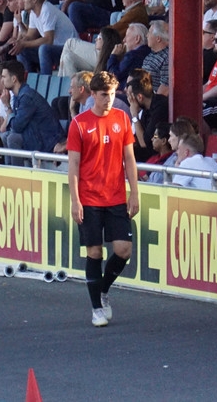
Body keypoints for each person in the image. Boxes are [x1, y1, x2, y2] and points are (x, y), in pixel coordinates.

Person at [67, 71, 139, 327]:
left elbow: (129, 158)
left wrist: (135, 192)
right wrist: (75, 200)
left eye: (111, 94)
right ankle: (96, 308)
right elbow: (73, 165)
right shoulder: (79, 124)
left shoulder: (121, 118)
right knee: (94, 251)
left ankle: (103, 289)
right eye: (103, 95)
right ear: (93, 95)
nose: (108, 100)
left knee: (123, 250)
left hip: (116, 196)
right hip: (89, 198)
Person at [0, 60, 62, 155]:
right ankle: (8, 164)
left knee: (12, 138)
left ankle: (18, 166)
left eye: (4, 77)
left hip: (47, 141)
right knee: (5, 136)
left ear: (14, 79)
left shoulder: (26, 97)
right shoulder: (18, 95)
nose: (2, 80)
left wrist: (7, 106)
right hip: (33, 135)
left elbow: (17, 126)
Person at [12, 0, 77, 74]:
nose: (23, 0)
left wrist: (24, 43)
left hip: (69, 49)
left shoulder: (47, 9)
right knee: (21, 50)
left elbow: (48, 40)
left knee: (44, 49)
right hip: (55, 49)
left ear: (34, 0)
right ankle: (30, 79)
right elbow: (30, 36)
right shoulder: (33, 13)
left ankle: (45, 79)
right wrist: (19, 43)